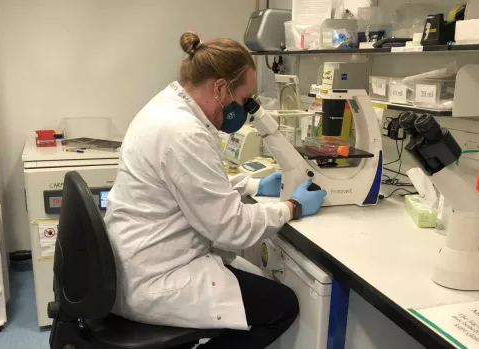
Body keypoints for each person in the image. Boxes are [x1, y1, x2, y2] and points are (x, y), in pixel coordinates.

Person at [104, 31, 327, 349]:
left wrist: (253, 184)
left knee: (250, 284)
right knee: (281, 307)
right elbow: (231, 229)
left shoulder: (167, 108)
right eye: (243, 99)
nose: (244, 108)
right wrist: (292, 206)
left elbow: (193, 185)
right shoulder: (184, 133)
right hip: (155, 278)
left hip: (137, 260)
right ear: (221, 87)